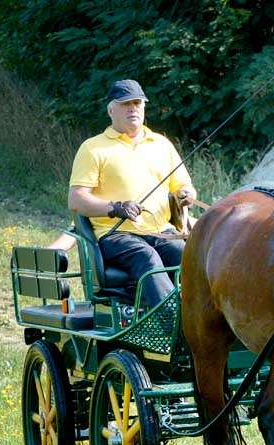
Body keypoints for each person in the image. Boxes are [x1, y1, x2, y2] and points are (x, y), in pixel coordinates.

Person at [68, 79, 197, 306]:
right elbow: (77, 200)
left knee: (187, 256)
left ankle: (200, 320)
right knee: (147, 258)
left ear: (144, 107)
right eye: (125, 104)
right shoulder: (93, 148)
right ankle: (171, 320)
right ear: (111, 109)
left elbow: (183, 186)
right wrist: (115, 208)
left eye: (137, 103)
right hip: (115, 235)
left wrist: (186, 194)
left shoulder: (161, 144)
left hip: (161, 231)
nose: (133, 108)